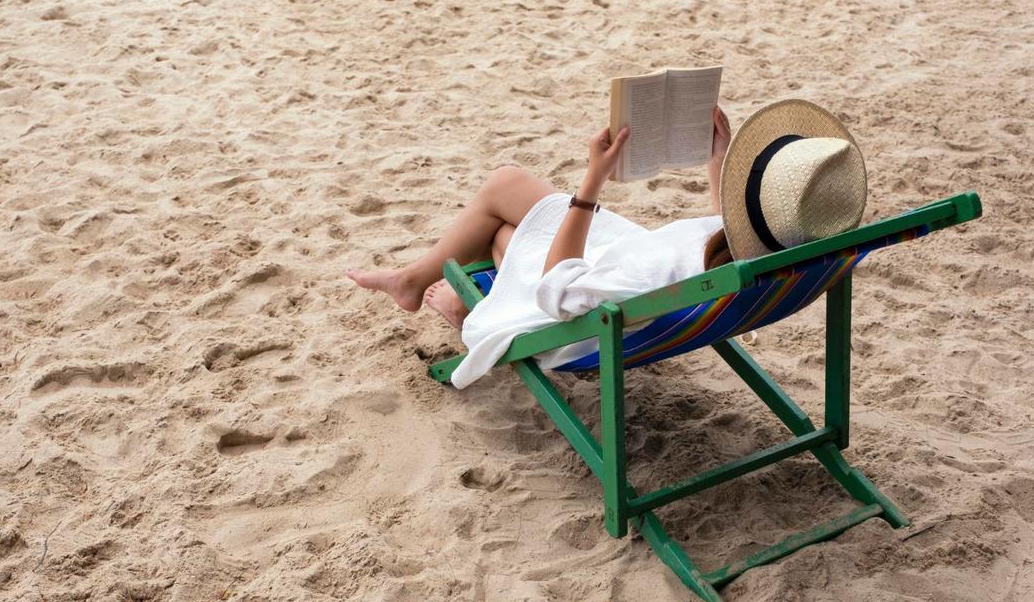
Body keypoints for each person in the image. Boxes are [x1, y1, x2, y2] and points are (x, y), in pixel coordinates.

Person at [348, 99, 867, 388]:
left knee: (505, 217)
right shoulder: (787, 250)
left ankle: (453, 303)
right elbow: (728, 230)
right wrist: (719, 156)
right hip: (632, 263)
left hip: (604, 306)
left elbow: (558, 291)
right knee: (508, 200)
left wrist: (591, 183)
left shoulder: (662, 279)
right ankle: (417, 281)